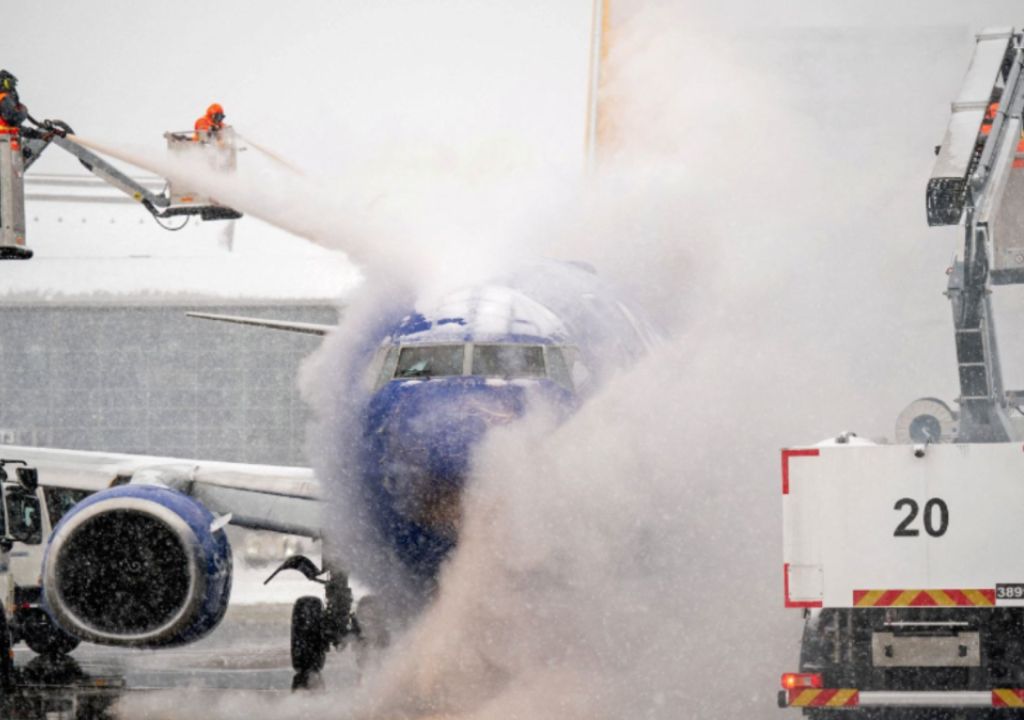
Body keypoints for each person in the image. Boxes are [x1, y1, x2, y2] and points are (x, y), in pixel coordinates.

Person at [0, 70, 28, 137]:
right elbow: (13, 118)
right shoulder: (3, 98)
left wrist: (38, 134)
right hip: (3, 137)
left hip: (6, 135)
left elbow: (14, 126)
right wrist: (23, 110)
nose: (12, 88)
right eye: (10, 83)